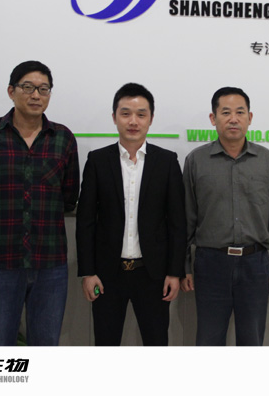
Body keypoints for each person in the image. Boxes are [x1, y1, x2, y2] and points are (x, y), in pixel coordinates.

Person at [0, 60, 79, 346]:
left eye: (44, 89)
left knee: (46, 343)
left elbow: (70, 195)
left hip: (50, 262)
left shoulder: (63, 139)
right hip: (0, 259)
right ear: (11, 91)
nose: (36, 95)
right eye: (28, 87)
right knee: (0, 343)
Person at [76, 83, 186, 346]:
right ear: (114, 117)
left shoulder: (167, 162)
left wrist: (174, 272)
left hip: (153, 274)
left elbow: (177, 222)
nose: (133, 121)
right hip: (107, 274)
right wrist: (88, 272)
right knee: (106, 343)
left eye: (141, 114)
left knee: (156, 342)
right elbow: (86, 221)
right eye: (125, 113)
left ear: (151, 119)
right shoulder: (98, 160)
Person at [181, 86, 269, 346]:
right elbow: (186, 218)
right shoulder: (196, 161)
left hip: (256, 264)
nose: (233, 119)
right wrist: (184, 266)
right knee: (208, 340)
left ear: (249, 118)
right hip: (210, 263)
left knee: (252, 340)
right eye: (226, 112)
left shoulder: (266, 160)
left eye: (240, 112)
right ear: (213, 118)